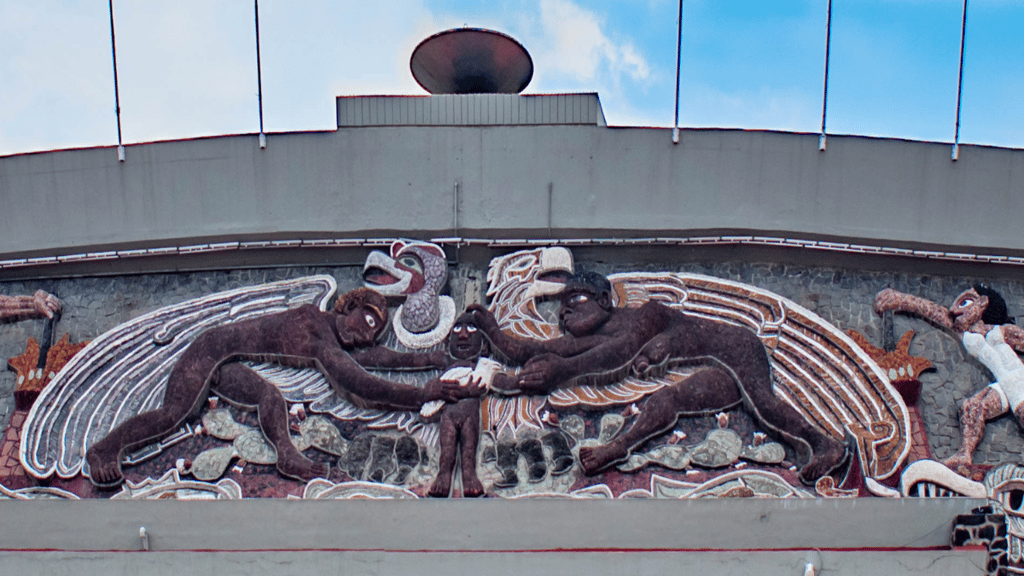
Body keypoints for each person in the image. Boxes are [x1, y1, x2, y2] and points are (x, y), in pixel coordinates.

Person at [471, 272, 847, 484]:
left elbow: (618, 354)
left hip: (737, 351)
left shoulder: (644, 316)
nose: (564, 316)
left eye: (574, 304)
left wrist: (563, 370)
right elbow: (531, 350)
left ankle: (825, 445)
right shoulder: (593, 338)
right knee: (667, 401)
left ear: (604, 300)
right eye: (561, 312)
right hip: (712, 374)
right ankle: (616, 449)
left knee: (764, 404)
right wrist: (489, 327)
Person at [85, 288, 481, 487]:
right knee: (172, 413)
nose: (369, 335)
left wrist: (431, 359)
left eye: (376, 331)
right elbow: (356, 379)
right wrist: (422, 394)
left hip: (231, 365)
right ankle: (104, 449)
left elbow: (374, 359)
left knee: (268, 397)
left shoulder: (332, 339)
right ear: (350, 307)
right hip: (209, 353)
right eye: (369, 322)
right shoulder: (314, 327)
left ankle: (286, 457)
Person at [876, 285, 1024, 473]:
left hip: (1020, 382)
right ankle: (964, 455)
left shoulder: (1002, 331)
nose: (955, 310)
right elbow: (933, 311)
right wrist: (899, 298)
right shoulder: (965, 333)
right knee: (971, 406)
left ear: (982, 303)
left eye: (964, 302)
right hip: (1002, 386)